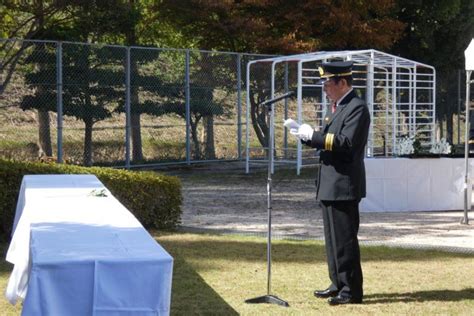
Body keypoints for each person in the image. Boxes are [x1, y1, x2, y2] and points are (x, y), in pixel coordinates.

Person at [285, 60, 370, 305]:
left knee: (345, 240)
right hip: (330, 183)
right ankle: (338, 282)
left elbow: (346, 143)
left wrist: (315, 136)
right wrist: (306, 136)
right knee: (333, 239)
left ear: (342, 82)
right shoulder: (337, 107)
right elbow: (329, 140)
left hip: (343, 184)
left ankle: (351, 291)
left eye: (327, 82)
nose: (324, 87)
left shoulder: (357, 108)